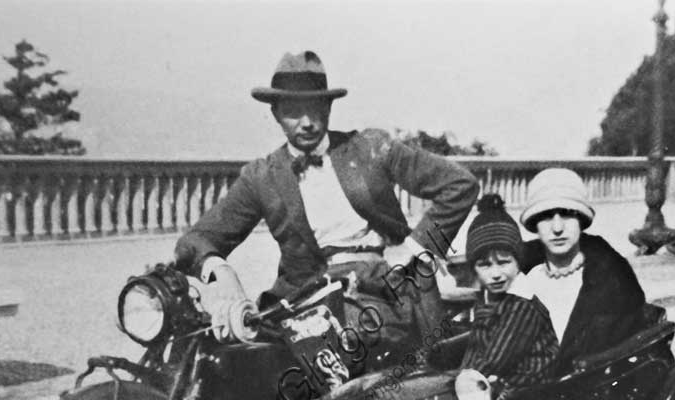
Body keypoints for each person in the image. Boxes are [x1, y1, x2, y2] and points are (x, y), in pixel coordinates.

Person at [172, 50, 479, 358]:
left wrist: (414, 249)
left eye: (315, 108)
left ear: (329, 107)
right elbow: (196, 240)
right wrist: (220, 270)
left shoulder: (370, 148)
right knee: (226, 358)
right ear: (276, 113)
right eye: (293, 111)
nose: (306, 123)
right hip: (306, 298)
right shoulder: (262, 176)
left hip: (386, 290)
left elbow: (460, 185)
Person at [519, 168, 647, 371]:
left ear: (581, 220)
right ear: (535, 225)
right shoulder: (523, 280)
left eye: (568, 215)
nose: (557, 227)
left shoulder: (613, 281)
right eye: (546, 216)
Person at [460, 194, 559, 387]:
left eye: (504, 262)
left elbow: (495, 360)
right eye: (485, 265)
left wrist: (457, 381)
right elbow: (476, 347)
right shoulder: (487, 297)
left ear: (517, 262)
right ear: (474, 268)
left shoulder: (522, 305)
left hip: (532, 387)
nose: (496, 274)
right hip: (499, 380)